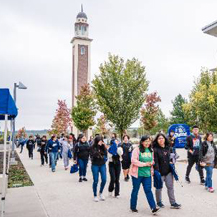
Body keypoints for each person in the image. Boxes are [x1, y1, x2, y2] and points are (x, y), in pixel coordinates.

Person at [129, 135, 159, 214]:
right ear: (142, 142)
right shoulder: (137, 149)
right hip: (137, 174)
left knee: (148, 190)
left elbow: (152, 160)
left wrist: (151, 163)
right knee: (135, 190)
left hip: (147, 174)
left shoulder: (151, 150)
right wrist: (145, 164)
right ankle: (133, 207)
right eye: (146, 141)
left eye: (149, 141)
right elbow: (133, 160)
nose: (147, 143)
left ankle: (153, 207)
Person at [153, 133, 181, 209]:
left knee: (170, 187)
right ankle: (159, 202)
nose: (161, 140)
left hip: (169, 171)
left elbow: (173, 157)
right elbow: (155, 162)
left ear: (165, 139)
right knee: (159, 188)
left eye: (162, 138)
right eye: (159, 138)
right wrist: (157, 172)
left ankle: (173, 203)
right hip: (159, 172)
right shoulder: (155, 150)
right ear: (157, 140)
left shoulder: (169, 148)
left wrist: (172, 161)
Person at [90, 136, 107, 202]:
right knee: (96, 180)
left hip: (102, 164)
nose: (101, 142)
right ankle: (95, 195)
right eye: (99, 141)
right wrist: (97, 147)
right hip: (95, 165)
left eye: (101, 141)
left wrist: (104, 147)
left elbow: (105, 153)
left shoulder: (103, 147)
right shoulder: (92, 147)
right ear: (97, 141)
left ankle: (101, 192)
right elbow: (93, 155)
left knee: (104, 179)